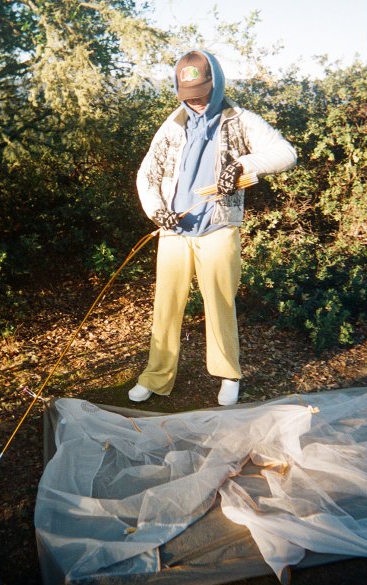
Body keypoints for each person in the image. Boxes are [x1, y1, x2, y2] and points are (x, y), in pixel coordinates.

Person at [128, 49, 297, 407]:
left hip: (218, 228)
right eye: (190, 97)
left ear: (216, 84)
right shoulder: (173, 123)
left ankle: (228, 375)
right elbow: (148, 174)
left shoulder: (240, 119)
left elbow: (286, 153)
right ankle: (156, 378)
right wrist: (158, 211)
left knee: (220, 303)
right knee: (166, 306)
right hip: (175, 230)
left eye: (203, 94)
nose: (197, 103)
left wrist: (243, 166)